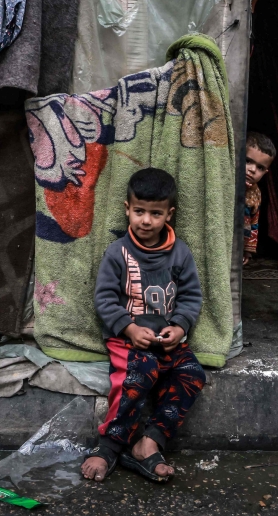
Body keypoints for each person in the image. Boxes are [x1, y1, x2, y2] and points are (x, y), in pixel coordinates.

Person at [81, 168, 207, 484]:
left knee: (192, 374)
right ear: (128, 209)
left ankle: (149, 442)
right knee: (141, 373)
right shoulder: (117, 253)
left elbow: (191, 297)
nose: (146, 221)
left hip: (168, 342)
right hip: (128, 341)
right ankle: (109, 446)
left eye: (155, 213)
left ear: (169, 214)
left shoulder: (180, 253)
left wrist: (179, 327)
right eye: (139, 211)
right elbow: (105, 300)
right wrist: (129, 328)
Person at [243, 132, 276, 265]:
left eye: (260, 167)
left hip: (239, 244)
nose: (252, 170)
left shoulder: (255, 193)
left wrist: (247, 250)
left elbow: (254, 222)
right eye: (248, 161)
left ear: (265, 172)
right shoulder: (227, 182)